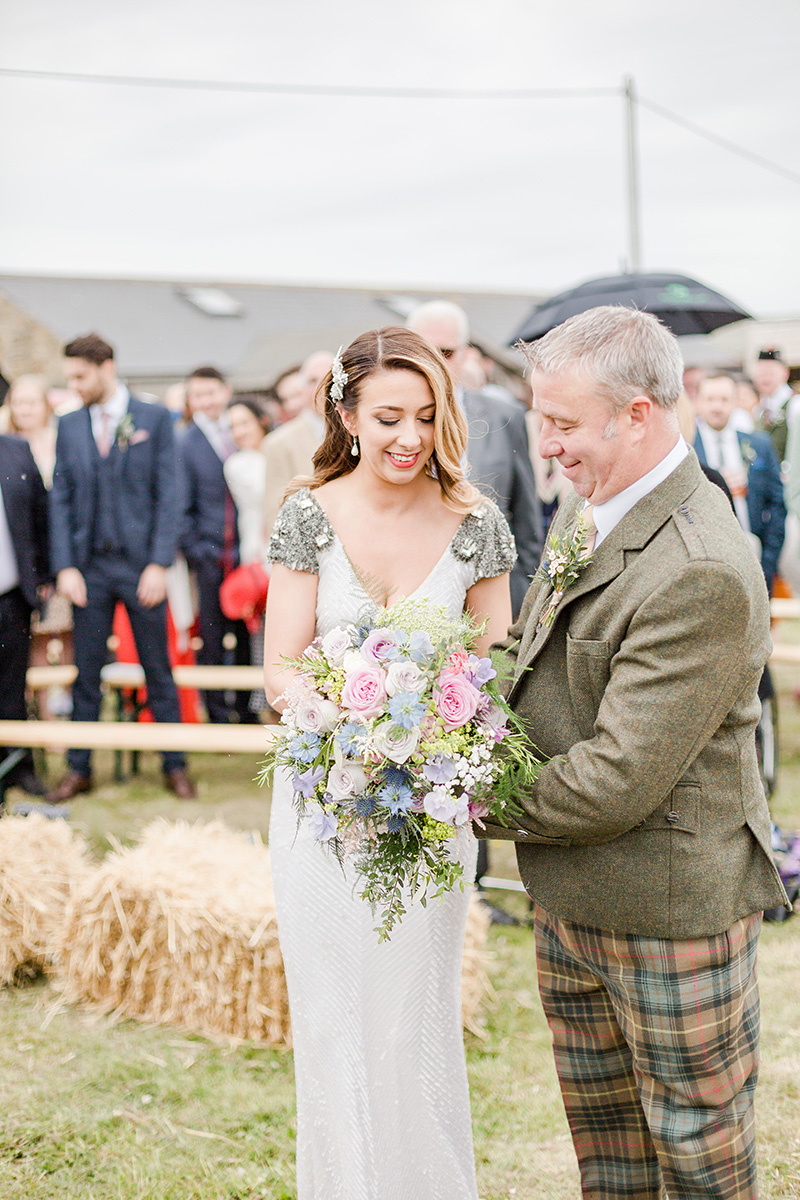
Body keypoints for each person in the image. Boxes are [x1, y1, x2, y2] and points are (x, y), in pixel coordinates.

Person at [482, 306, 787, 1199]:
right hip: (573, 891)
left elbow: (618, 778)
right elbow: (527, 649)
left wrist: (456, 795)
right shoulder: (595, 504)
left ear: (640, 414)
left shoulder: (698, 565)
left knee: (698, 1157)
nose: (545, 444)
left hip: (667, 908)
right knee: (608, 1155)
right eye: (542, 418)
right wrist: (436, 708)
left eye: (563, 423)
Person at [263, 326, 515, 1200]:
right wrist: (337, 724)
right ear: (347, 414)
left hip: (430, 822)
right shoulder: (308, 513)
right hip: (321, 808)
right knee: (334, 1023)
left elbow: (495, 671)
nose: (408, 436)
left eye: (424, 415)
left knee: (412, 1022)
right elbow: (282, 663)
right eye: (388, 416)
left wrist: (452, 737)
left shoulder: (475, 525)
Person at [46, 334, 195, 801]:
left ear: (106, 367)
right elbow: (61, 499)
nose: (74, 385)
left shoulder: (152, 418)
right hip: (89, 570)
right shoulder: (68, 424)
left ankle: (175, 766)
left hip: (141, 569)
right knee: (86, 672)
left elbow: (169, 495)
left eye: (80, 376)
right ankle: (79, 768)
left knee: (158, 669)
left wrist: (158, 563)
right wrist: (65, 567)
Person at [406, 299, 541, 617]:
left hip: (496, 592)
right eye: (425, 351)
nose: (436, 362)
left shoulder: (504, 416)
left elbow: (525, 517)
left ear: (466, 354)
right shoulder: (389, 423)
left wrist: (526, 596)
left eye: (447, 352)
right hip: (414, 589)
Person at [179, 366, 254, 725]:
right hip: (208, 555)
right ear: (190, 401)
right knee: (210, 635)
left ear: (226, 391)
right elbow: (180, 505)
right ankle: (217, 711)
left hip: (245, 552)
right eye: (198, 395)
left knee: (243, 633)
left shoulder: (241, 432)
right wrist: (198, 550)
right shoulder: (185, 443)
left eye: (211, 392)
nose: (206, 400)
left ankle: (245, 705)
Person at [693, 371, 786, 592]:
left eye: (724, 399)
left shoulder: (759, 444)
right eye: (710, 399)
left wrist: (767, 561)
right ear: (698, 402)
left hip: (753, 551)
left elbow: (777, 503)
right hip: (703, 560)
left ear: (735, 401)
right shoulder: (686, 447)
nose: (717, 407)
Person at [0, 433, 50, 803]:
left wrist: (44, 574)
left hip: (12, 593)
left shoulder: (15, 450)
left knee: (13, 687)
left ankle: (19, 768)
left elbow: (41, 515)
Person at [261, 350, 334, 541]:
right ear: (301, 391)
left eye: (328, 377)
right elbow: (274, 511)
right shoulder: (278, 442)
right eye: (312, 380)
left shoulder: (358, 431)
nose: (321, 386)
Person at [4, 374, 58, 487]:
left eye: (32, 403)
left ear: (45, 404)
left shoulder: (59, 438)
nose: (25, 410)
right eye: (18, 403)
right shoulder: (5, 444)